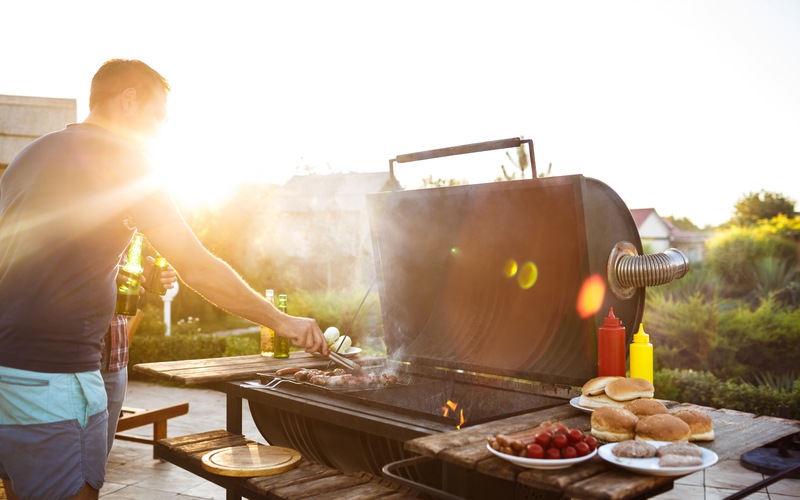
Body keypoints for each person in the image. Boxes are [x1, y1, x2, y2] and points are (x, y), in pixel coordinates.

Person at [0, 59, 329, 499]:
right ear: (129, 101)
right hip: (57, 379)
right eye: (158, 117)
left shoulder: (32, 154)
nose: (159, 131)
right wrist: (281, 321)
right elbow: (199, 267)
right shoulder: (127, 161)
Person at [102, 256, 178, 456]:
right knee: (62, 460)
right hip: (77, 360)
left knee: (98, 460)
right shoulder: (77, 229)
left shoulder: (127, 236)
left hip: (115, 361)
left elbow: (125, 284)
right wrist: (104, 276)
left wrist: (145, 274)